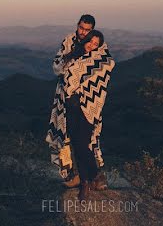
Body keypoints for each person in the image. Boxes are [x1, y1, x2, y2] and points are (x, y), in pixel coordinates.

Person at [45, 15, 115, 201]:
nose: (83, 32)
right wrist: (74, 57)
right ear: (77, 26)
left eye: (87, 29)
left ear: (92, 30)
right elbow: (57, 68)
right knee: (70, 139)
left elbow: (107, 65)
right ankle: (75, 176)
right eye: (81, 28)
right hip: (66, 99)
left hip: (88, 103)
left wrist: (80, 80)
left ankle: (92, 178)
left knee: (85, 141)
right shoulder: (69, 42)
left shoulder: (99, 47)